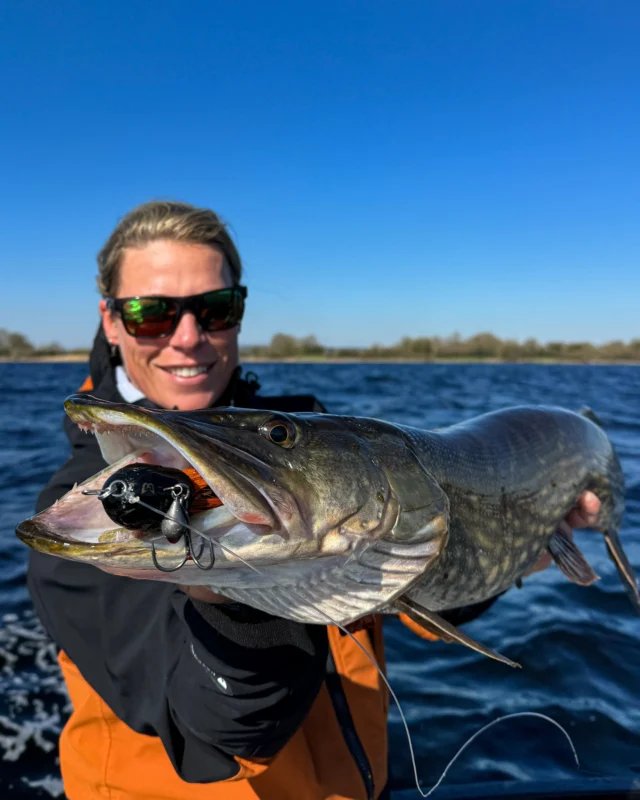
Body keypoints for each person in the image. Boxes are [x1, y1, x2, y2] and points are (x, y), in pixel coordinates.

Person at [28, 201, 601, 800]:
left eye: (216, 310)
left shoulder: (316, 440)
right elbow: (219, 729)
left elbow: (409, 586)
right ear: (112, 322)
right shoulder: (84, 519)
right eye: (151, 315)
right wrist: (231, 597)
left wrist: (504, 556)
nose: (189, 338)